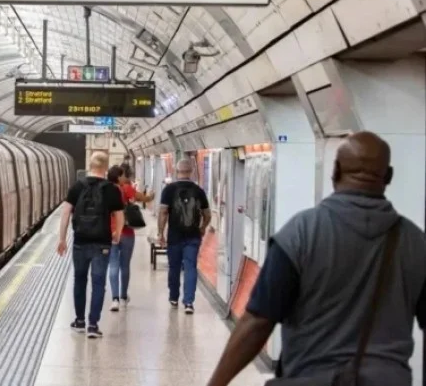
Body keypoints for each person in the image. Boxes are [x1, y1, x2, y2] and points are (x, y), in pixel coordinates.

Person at [206, 132, 426, 385]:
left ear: (335, 171)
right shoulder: (416, 243)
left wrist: (216, 383)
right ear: (388, 177)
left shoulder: (301, 233)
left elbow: (258, 321)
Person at [57, 151, 124, 338]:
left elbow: (65, 214)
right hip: (102, 243)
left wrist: (62, 239)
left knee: (79, 280)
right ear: (105, 168)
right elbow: (119, 214)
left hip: (80, 241)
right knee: (98, 282)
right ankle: (93, 325)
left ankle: (79, 321)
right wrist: (117, 233)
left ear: (90, 165)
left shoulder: (77, 187)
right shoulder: (111, 189)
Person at [157, 158, 210, 314]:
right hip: (193, 236)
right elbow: (207, 214)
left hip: (174, 237)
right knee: (190, 267)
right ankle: (188, 303)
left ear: (176, 171)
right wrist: (202, 228)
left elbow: (163, 212)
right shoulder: (199, 191)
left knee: (174, 267)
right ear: (191, 171)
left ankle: (174, 297)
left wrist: (161, 232)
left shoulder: (169, 190)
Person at [108, 164, 154, 312]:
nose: (125, 178)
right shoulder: (126, 189)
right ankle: (123, 297)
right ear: (119, 177)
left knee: (113, 265)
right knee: (125, 265)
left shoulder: (106, 190)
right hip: (127, 233)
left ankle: (114, 299)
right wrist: (152, 195)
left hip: (111, 232)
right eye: (122, 176)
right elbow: (144, 198)